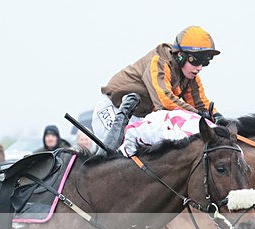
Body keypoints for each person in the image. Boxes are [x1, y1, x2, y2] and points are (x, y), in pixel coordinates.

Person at [93, 26, 227, 151]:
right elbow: (164, 102)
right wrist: (198, 114)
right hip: (113, 109)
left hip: (138, 116)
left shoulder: (191, 76)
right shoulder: (159, 62)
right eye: (196, 60)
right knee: (119, 153)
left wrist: (217, 117)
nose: (199, 67)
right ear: (180, 55)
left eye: (205, 62)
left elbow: (201, 104)